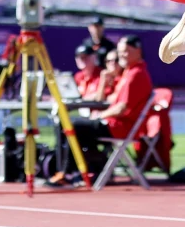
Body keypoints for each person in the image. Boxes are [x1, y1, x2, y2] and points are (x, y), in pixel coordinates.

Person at [65, 35, 153, 178]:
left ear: (138, 50)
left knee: (72, 125)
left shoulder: (135, 74)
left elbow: (121, 108)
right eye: (119, 52)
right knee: (77, 126)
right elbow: (114, 100)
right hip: (117, 124)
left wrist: (100, 116)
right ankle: (88, 168)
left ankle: (70, 172)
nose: (121, 56)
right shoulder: (129, 73)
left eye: (125, 51)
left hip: (120, 127)